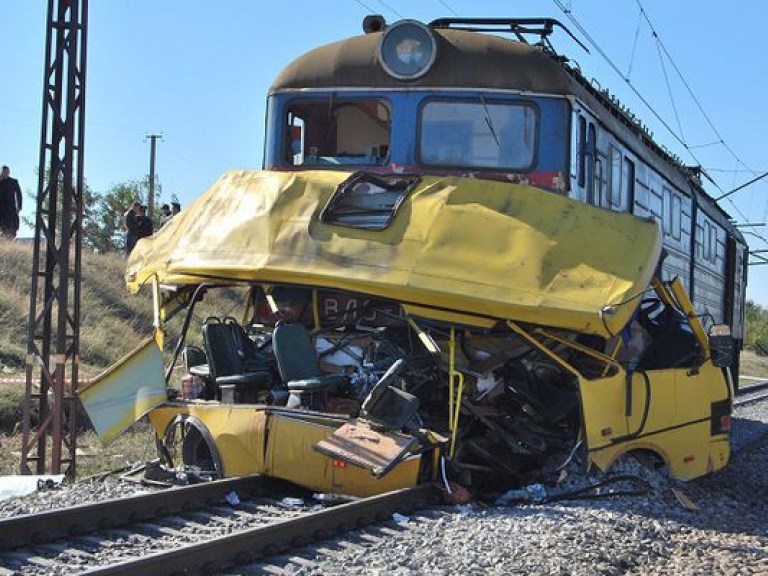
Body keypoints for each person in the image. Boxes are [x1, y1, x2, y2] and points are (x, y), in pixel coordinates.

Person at [0, 165, 23, 239]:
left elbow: (19, 194)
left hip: (11, 207)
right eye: (4, 172)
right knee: (3, 225)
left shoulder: (13, 182)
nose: (5, 173)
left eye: (7, 172)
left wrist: (19, 206)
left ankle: (10, 237)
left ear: (9, 172)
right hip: (1, 207)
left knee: (14, 224)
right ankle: (4, 237)